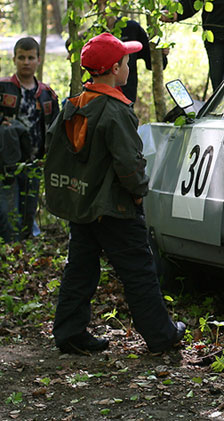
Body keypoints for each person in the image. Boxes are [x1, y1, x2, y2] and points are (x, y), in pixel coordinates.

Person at [44, 33, 185, 354]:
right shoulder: (115, 111)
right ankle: (162, 335)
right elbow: (129, 163)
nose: (129, 66)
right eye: (126, 61)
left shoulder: (74, 104)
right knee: (139, 271)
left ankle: (68, 332)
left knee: (80, 268)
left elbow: (53, 148)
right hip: (115, 209)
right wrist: (138, 193)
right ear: (113, 69)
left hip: (83, 206)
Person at [0, 37, 59, 241]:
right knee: (8, 210)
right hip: (6, 163)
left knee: (29, 206)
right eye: (21, 57)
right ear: (14, 59)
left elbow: (55, 128)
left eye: (30, 58)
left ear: (38, 60)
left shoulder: (46, 94)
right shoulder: (3, 88)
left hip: (34, 161)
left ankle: (26, 245)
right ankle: (10, 250)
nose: (26, 62)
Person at [87, 0, 168, 103]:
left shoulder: (131, 28)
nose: (103, 9)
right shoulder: (91, 35)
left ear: (114, 2)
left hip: (126, 99)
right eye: (98, 5)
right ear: (91, 7)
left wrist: (162, 53)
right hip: (98, 101)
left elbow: (153, 63)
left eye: (106, 3)